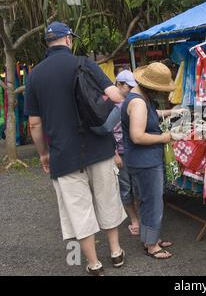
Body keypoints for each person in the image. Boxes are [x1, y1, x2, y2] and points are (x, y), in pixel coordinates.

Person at [24, 21, 127, 276]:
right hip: (99, 147)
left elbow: (34, 123)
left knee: (77, 210)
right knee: (107, 198)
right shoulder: (85, 63)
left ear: (47, 43)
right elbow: (115, 96)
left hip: (63, 154)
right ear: (68, 39)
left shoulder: (34, 76)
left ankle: (94, 264)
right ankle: (115, 252)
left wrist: (43, 154)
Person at [121, 62, 187, 260]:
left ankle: (151, 239)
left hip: (141, 160)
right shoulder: (139, 102)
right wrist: (165, 138)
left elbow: (150, 116)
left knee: (149, 201)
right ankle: (151, 246)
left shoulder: (139, 97)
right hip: (145, 161)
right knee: (153, 202)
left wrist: (171, 112)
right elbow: (138, 136)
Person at [112, 70, 140, 236]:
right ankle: (134, 219)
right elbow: (107, 132)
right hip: (121, 153)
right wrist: (114, 154)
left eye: (132, 87)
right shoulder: (111, 105)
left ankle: (139, 218)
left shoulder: (133, 102)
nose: (130, 90)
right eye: (128, 86)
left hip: (134, 150)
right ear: (119, 85)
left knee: (137, 186)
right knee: (126, 187)